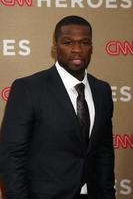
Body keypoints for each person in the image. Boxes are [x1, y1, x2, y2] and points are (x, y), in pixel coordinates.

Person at [0, 15, 116, 199]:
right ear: (55, 47)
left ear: (91, 47)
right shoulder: (28, 89)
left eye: (84, 43)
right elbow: (12, 155)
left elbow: (104, 152)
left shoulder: (102, 90)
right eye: (68, 42)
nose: (77, 50)